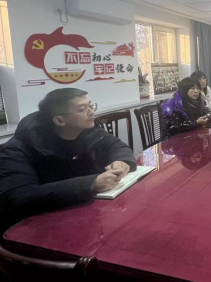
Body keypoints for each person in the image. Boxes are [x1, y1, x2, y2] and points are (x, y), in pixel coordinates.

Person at [0, 88, 137, 232]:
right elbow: (19, 197)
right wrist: (90, 184)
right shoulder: (18, 149)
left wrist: (122, 161)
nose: (91, 112)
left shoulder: (88, 131)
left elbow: (116, 145)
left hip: (85, 215)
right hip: (38, 228)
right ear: (60, 120)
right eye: (82, 109)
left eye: (91, 105)